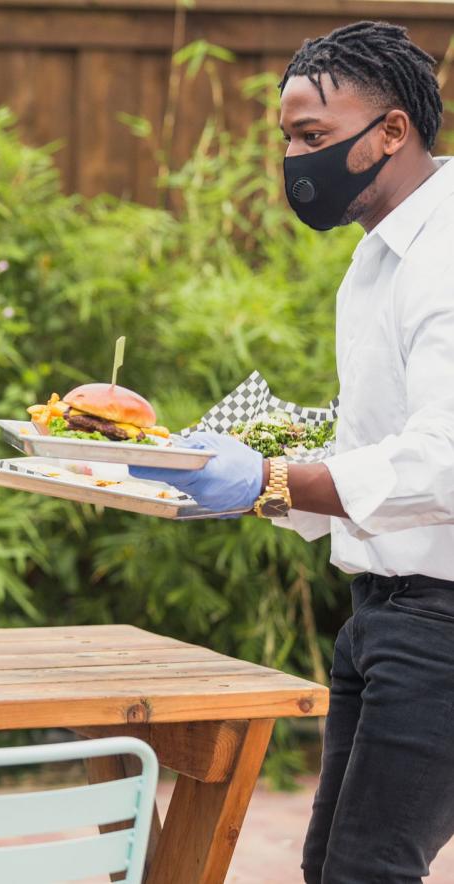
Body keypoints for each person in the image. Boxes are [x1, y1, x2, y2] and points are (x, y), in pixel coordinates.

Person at [131, 21, 454, 884]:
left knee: (364, 870)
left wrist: (268, 477)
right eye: (287, 139)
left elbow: (445, 461)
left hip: (443, 621)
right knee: (332, 866)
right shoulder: (374, 263)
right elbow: (370, 445)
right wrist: (239, 479)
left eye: (314, 137)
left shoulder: (447, 255)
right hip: (381, 609)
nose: (295, 160)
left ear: (393, 131)